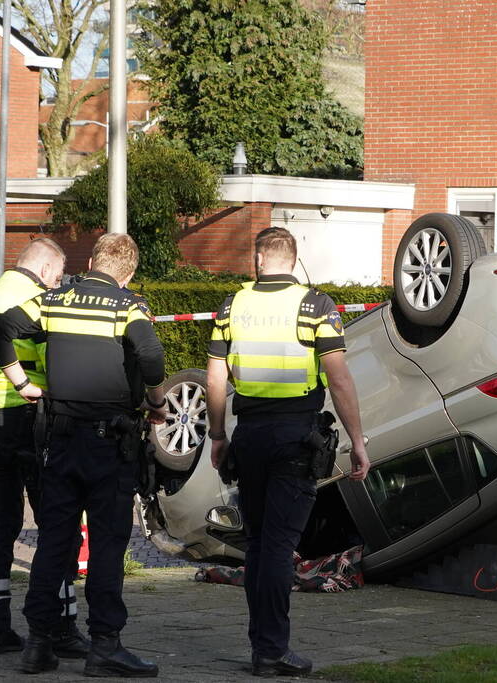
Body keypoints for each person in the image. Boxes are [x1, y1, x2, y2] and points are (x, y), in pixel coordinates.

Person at [0, 234, 167, 676]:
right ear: (129, 272)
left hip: (58, 442)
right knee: (107, 544)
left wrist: (22, 384)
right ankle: (104, 645)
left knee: (53, 541)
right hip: (110, 444)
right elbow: (151, 354)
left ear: (91, 261)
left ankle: (38, 644)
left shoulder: (55, 299)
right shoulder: (127, 306)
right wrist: (157, 402)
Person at [206, 227, 370, 677]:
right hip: (296, 436)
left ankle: (262, 643)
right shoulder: (316, 306)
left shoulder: (232, 305)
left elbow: (215, 378)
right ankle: (272, 650)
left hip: (250, 435)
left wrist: (217, 434)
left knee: (258, 544)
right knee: (279, 547)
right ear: (294, 261)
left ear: (258, 259)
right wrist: (358, 441)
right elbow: (339, 380)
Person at [0, 238, 87, 657]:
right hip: (34, 420)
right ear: (48, 269)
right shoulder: (40, 304)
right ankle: (60, 625)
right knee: (56, 522)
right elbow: (58, 364)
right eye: (59, 273)